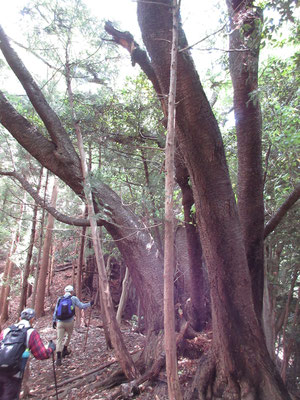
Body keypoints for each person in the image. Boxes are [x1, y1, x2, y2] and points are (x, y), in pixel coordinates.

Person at [0, 308, 55, 400]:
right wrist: (51, 349)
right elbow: (41, 354)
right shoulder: (31, 333)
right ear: (32, 319)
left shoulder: (6, 331)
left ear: (20, 318)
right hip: (14, 374)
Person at [53, 285, 93, 366]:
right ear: (71, 292)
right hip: (70, 322)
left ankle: (58, 358)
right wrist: (90, 304)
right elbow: (81, 306)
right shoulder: (73, 298)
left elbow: (55, 311)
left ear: (65, 291)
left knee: (59, 339)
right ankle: (65, 350)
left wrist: (54, 321)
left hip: (60, 322)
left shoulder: (59, 299)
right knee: (68, 335)